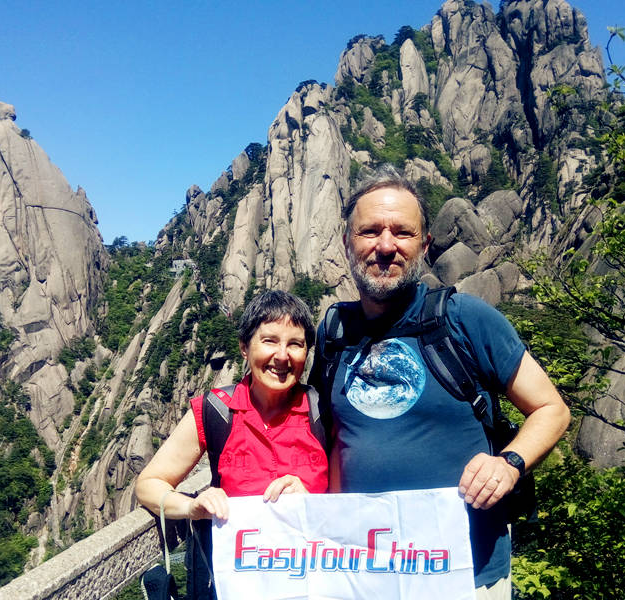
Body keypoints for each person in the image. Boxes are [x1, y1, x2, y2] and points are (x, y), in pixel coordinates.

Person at [309, 166, 571, 600]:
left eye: (403, 233)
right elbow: (332, 440)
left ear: (425, 245)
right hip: (364, 571)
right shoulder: (334, 332)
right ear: (347, 242)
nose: (386, 246)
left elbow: (551, 409)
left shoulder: (464, 318)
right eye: (370, 231)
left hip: (465, 571)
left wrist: (508, 463)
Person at [135, 290, 328, 595]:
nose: (282, 356)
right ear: (244, 348)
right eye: (269, 340)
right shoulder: (216, 411)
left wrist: (313, 505)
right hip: (239, 586)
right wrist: (192, 507)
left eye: (295, 344)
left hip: (314, 585)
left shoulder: (324, 412)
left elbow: (355, 506)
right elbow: (149, 484)